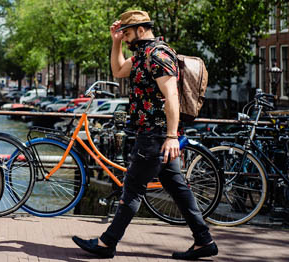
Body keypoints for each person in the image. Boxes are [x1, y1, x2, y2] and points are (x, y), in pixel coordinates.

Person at [72, 10, 218, 260]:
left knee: (133, 188)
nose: (126, 38)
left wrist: (172, 136)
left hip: (155, 135)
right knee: (178, 188)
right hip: (152, 133)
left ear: (141, 30)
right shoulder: (142, 55)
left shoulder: (158, 55)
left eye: (127, 34)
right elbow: (118, 70)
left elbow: (171, 95)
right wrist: (115, 41)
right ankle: (204, 240)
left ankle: (107, 243)